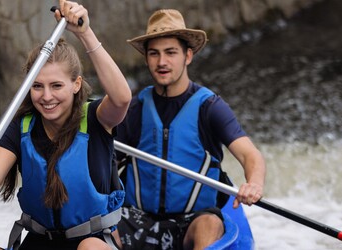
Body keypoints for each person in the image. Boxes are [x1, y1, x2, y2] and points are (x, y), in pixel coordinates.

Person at [0, 1, 131, 249]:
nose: (46, 96)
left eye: (56, 86)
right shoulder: (20, 128)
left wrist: (85, 33)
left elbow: (122, 98)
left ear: (76, 85)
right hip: (38, 243)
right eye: (37, 86)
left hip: (89, 241)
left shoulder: (96, 119)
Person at [113, 9, 267, 250]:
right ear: (146, 59)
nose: (162, 62)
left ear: (188, 56)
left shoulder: (210, 108)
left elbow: (250, 155)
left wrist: (254, 184)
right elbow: (102, 162)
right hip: (137, 220)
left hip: (191, 222)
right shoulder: (134, 108)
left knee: (209, 224)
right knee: (98, 231)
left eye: (170, 53)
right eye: (154, 54)